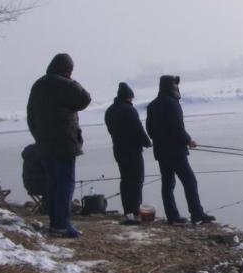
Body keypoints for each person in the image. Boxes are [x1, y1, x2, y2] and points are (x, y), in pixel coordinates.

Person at [27, 53, 91, 238]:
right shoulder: (63, 83)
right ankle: (63, 225)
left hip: (44, 145)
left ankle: (56, 223)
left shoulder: (38, 85)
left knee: (53, 184)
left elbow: (30, 115)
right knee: (65, 184)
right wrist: (70, 81)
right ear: (67, 70)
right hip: (64, 143)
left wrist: (38, 137)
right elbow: (84, 99)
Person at [145, 75, 215, 225]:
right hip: (176, 151)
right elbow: (177, 128)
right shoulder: (172, 103)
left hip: (161, 151)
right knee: (190, 181)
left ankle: (172, 216)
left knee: (167, 184)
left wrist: (160, 140)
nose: (178, 88)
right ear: (171, 87)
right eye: (176, 85)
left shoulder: (152, 105)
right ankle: (197, 213)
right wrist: (188, 140)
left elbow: (149, 130)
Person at [104, 82, 152, 225]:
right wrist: (147, 142)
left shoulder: (109, 111)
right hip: (132, 151)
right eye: (132, 98)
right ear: (128, 97)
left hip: (118, 150)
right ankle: (135, 211)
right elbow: (138, 129)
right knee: (137, 180)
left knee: (125, 180)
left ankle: (128, 211)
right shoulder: (129, 110)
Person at [21, 143, 47, 213]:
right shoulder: (42, 152)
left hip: (28, 185)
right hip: (39, 186)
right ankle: (46, 210)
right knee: (56, 189)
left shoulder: (29, 152)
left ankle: (45, 208)